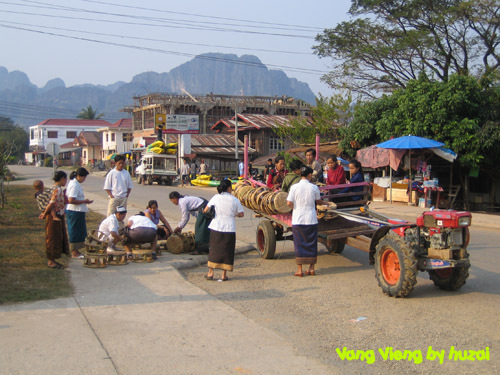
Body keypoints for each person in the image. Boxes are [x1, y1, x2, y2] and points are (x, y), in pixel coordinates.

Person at [286, 166, 325, 277]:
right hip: (311, 219)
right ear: (309, 175)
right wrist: (325, 203)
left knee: (299, 244)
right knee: (312, 243)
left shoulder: (294, 187)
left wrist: (295, 208)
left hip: (298, 219)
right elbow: (318, 201)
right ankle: (311, 269)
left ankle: (300, 269)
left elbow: (288, 203)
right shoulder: (314, 187)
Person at [203, 179, 244, 281]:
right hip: (229, 227)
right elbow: (241, 214)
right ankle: (223, 275)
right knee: (227, 250)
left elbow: (205, 210)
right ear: (229, 188)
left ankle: (210, 273)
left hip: (216, 226)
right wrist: (234, 214)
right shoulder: (235, 200)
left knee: (214, 249)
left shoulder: (216, 197)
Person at [39, 171, 70, 269]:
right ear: (62, 179)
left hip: (56, 215)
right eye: (65, 179)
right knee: (52, 237)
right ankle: (51, 261)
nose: (66, 181)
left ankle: (53, 260)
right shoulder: (58, 190)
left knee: (56, 237)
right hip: (54, 217)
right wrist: (44, 214)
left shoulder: (54, 188)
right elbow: (51, 203)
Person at [66, 167, 93, 258]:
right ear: (79, 176)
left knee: (79, 231)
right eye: (84, 177)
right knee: (74, 231)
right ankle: (74, 252)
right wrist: (84, 201)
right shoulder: (74, 185)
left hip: (78, 211)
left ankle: (76, 250)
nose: (84, 179)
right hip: (74, 211)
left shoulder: (75, 183)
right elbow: (71, 200)